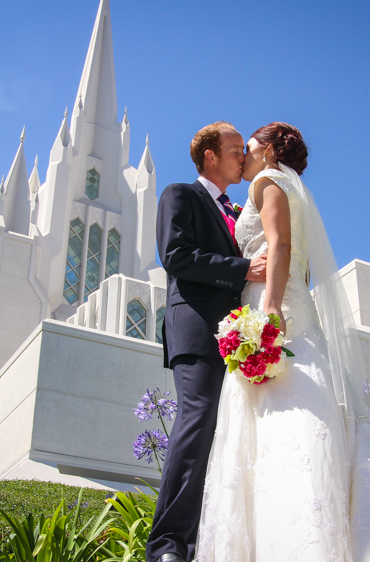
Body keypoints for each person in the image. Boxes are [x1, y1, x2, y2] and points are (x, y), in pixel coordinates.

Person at [194, 122, 370, 562]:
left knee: (281, 418)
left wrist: (268, 309)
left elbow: (281, 245)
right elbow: (299, 266)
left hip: (273, 308)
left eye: (248, 148)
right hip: (295, 306)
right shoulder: (296, 189)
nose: (244, 157)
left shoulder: (268, 182)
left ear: (268, 152)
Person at [148, 121, 269, 562]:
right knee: (196, 423)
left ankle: (206, 542)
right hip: (198, 330)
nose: (243, 157)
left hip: (239, 339)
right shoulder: (180, 194)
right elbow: (176, 256)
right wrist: (242, 269)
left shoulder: (237, 212)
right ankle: (167, 545)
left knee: (228, 434)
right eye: (235, 149)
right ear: (210, 155)